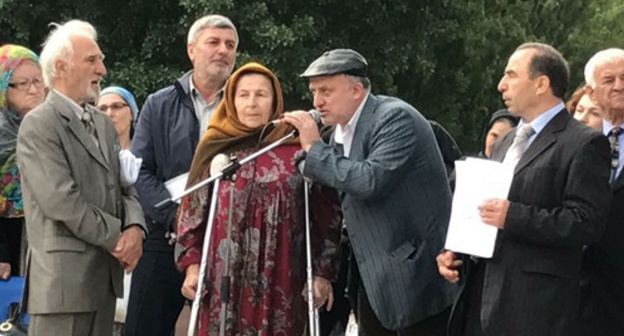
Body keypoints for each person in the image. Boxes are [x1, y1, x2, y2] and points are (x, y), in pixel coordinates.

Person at [437, 42, 612, 336]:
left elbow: (586, 223)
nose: (501, 85)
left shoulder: (583, 143)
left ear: (541, 83)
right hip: (480, 298)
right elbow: (486, 207)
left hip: (535, 308)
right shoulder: (506, 141)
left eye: (511, 75)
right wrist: (458, 250)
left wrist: (514, 216)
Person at [283, 48, 456, 336]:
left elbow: (369, 181)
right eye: (314, 91)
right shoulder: (337, 133)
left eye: (326, 90)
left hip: (416, 275)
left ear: (357, 89)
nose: (316, 102)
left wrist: (314, 150)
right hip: (373, 277)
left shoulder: (394, 118)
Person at [175, 61, 342, 335]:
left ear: (275, 100)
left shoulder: (298, 148)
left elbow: (327, 216)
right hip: (223, 276)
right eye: (244, 95)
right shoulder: (215, 148)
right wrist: (192, 268)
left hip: (283, 272)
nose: (252, 103)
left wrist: (322, 274)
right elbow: (191, 215)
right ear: (231, 100)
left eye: (261, 95)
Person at [15, 20, 146, 336]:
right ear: (61, 67)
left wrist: (136, 229)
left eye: (100, 59)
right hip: (63, 288)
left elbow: (124, 186)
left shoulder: (102, 123)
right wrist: (118, 238)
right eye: (92, 60)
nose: (102, 69)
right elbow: (62, 200)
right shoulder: (39, 125)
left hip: (103, 283)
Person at [127, 14, 238, 336]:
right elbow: (139, 171)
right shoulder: (159, 104)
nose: (223, 51)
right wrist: (178, 217)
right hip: (165, 236)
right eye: (213, 42)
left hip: (225, 238)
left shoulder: (247, 105)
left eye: (230, 45)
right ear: (192, 50)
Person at [581, 48, 624, 335]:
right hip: (579, 294)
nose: (619, 86)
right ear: (591, 92)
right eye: (609, 79)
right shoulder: (575, 143)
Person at [97, 86, 141, 336]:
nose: (109, 113)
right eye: (102, 108)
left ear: (132, 112)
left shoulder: (148, 155)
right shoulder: (92, 158)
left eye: (117, 106)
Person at [0, 44, 45, 279]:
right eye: (23, 84)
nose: (34, 90)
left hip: (46, 237)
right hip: (6, 239)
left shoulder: (52, 127)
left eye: (38, 81)